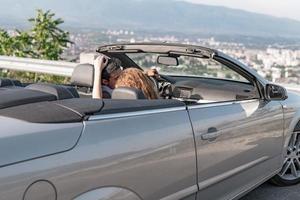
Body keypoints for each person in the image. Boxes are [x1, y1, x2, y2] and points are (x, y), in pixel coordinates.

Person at [92, 55, 159, 99]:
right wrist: (98, 70)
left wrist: (144, 74)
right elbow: (97, 100)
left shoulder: (117, 85)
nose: (122, 79)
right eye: (117, 78)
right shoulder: (106, 92)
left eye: (122, 74)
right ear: (105, 82)